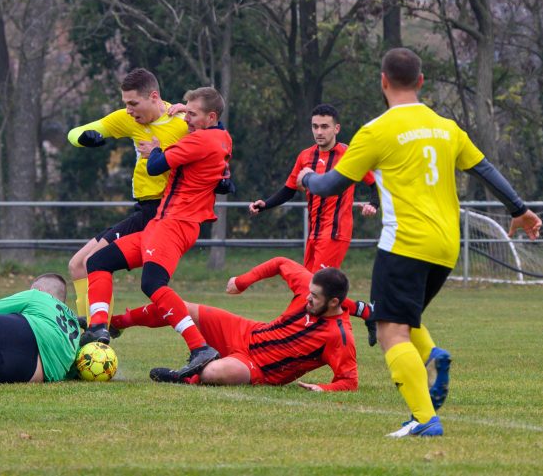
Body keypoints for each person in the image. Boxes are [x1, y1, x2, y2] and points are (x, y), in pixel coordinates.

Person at [296, 48, 543, 437]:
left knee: (389, 327)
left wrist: (307, 177)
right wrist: (519, 209)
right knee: (402, 319)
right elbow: (485, 168)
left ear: (383, 82)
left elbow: (329, 186)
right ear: (422, 82)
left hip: (405, 243)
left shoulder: (377, 131)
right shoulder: (446, 126)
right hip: (446, 246)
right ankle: (431, 359)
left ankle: (425, 419)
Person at [81, 86, 233, 379]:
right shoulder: (221, 135)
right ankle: (100, 326)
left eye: (192, 114)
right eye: (185, 111)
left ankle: (200, 347)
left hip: (174, 225)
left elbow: (156, 167)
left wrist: (155, 150)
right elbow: (216, 127)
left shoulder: (200, 140)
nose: (186, 118)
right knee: (97, 262)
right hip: (164, 224)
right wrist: (185, 109)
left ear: (210, 116)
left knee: (153, 284)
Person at [108, 257, 371, 389]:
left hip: (257, 368)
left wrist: (323, 389)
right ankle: (116, 323)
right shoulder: (309, 290)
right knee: (179, 307)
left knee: (213, 373)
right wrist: (242, 281)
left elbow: (349, 380)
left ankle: (186, 376)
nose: (308, 299)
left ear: (335, 303)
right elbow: (281, 263)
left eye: (315, 297)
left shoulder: (340, 336)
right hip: (247, 331)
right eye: (309, 292)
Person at [67, 68, 189, 323]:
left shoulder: (181, 123)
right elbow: (77, 132)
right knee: (78, 265)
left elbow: (214, 141)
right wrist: (86, 138)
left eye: (134, 103)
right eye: (125, 104)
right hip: (143, 211)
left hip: (166, 213)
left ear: (154, 97)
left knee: (96, 264)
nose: (129, 110)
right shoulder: (130, 119)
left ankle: (96, 331)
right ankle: (91, 333)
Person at [249, 104, 379, 272]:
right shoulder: (305, 156)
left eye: (324, 127)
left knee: (318, 289)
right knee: (310, 289)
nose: (319, 132)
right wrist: (265, 205)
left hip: (335, 233)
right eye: (315, 126)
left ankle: (363, 301)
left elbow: (375, 184)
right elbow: (289, 189)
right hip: (313, 234)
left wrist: (373, 205)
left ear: (336, 128)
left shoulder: (349, 155)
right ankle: (362, 301)